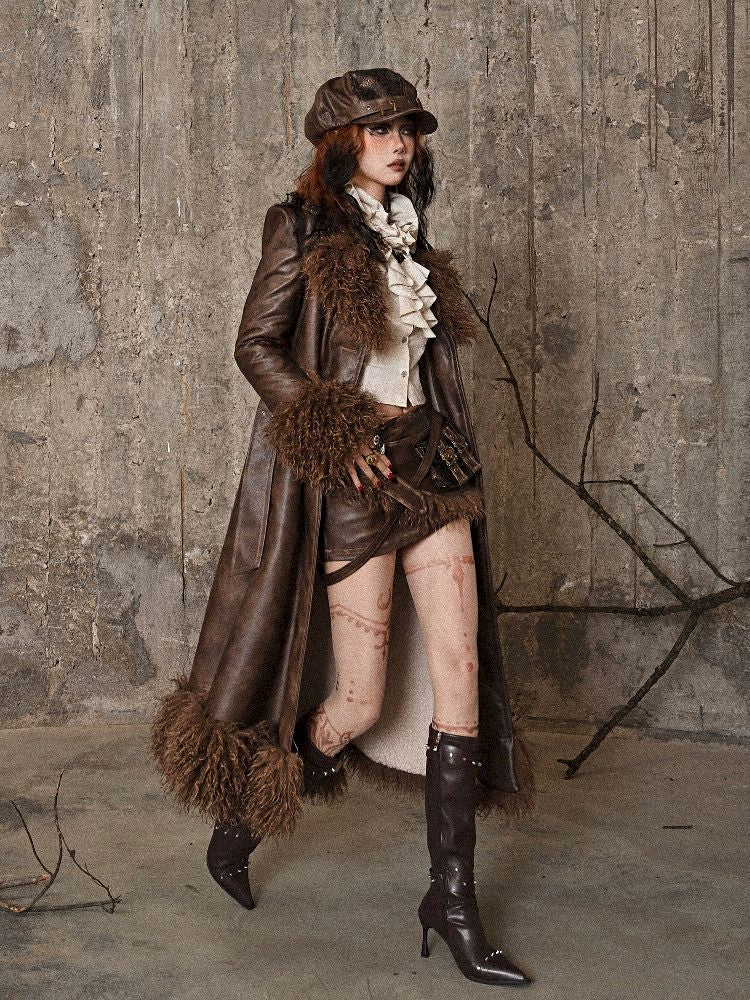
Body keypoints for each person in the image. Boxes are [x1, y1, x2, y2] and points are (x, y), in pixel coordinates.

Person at [150, 68, 534, 986]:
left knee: (461, 673)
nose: (401, 143)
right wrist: (333, 429)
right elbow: (256, 345)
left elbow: (417, 364)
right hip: (358, 480)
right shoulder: (300, 225)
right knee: (357, 702)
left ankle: (452, 902)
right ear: (340, 142)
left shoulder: (408, 230)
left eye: (409, 128)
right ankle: (245, 814)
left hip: (430, 467)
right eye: (380, 129)